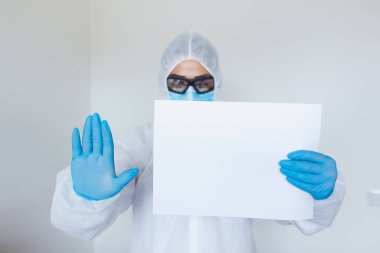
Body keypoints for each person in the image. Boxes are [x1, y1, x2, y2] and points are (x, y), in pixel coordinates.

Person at [51, 31, 346, 253]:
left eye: (201, 82)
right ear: (163, 82)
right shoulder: (142, 143)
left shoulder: (248, 138)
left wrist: (321, 195)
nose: (190, 92)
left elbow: (300, 216)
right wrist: (86, 197)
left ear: (215, 81)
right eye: (178, 82)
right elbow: (76, 224)